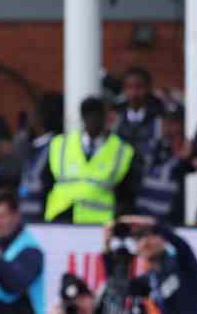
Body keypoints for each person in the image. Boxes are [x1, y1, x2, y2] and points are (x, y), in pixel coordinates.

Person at [43, 96, 139, 224]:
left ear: (105, 117)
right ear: (82, 117)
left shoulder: (122, 151)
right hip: (60, 217)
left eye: (97, 114)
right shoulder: (60, 145)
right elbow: (46, 182)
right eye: (88, 114)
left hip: (99, 222)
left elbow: (127, 192)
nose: (92, 119)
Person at [136, 107, 193, 226]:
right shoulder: (154, 148)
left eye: (174, 123)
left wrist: (184, 158)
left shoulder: (192, 154)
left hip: (176, 221)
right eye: (166, 122)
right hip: (145, 216)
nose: (169, 127)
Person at [19, 92, 64, 221]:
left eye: (33, 112)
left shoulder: (56, 146)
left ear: (42, 116)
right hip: (26, 218)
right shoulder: (31, 146)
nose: (29, 116)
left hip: (45, 220)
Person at [113, 66, 165, 156]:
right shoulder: (116, 118)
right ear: (124, 89)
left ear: (148, 88)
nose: (134, 92)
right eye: (129, 87)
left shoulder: (158, 118)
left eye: (139, 87)